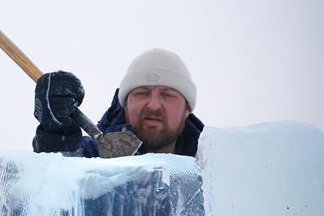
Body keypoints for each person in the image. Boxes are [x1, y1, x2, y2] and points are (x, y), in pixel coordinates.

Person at [33, 47, 203, 158]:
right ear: (125, 103)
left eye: (167, 95)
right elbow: (52, 184)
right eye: (142, 93)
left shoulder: (213, 169)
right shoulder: (92, 158)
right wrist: (57, 135)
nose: (153, 105)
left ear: (187, 108)